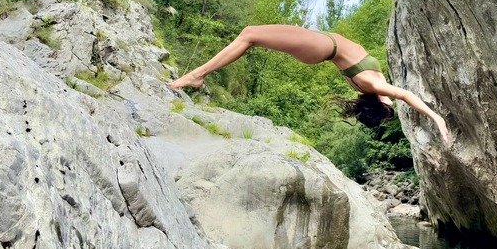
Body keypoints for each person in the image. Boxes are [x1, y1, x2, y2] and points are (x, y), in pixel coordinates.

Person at [168, 24, 453, 147]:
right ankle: (198, 75)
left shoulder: (370, 84)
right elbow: (400, 96)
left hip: (323, 46)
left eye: (389, 106)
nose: (393, 103)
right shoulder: (376, 83)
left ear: (380, 101)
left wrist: (436, 118)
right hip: (321, 42)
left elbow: (406, 95)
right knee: (250, 34)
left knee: (250, 34)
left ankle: (197, 75)